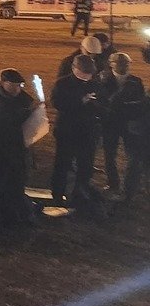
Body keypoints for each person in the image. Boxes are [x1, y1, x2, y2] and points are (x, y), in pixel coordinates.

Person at [0, 69, 36, 231]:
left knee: (16, 183)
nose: (16, 88)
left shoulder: (24, 99)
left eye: (19, 85)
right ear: (3, 83)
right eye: (13, 85)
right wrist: (25, 115)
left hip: (18, 148)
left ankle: (12, 215)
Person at [51, 55, 103, 207]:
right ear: (74, 69)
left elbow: (102, 105)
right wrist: (81, 100)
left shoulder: (95, 84)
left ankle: (80, 194)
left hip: (88, 131)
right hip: (67, 131)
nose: (86, 77)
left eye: (89, 74)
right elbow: (57, 103)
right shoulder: (62, 83)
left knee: (85, 165)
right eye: (83, 73)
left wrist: (96, 105)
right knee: (63, 164)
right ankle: (58, 195)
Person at [100, 52, 143, 195]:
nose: (125, 66)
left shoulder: (136, 81)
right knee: (110, 154)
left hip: (128, 124)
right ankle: (113, 183)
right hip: (110, 123)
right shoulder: (103, 81)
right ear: (111, 64)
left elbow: (140, 103)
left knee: (132, 156)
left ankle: (130, 185)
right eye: (122, 63)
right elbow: (103, 102)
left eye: (127, 63)